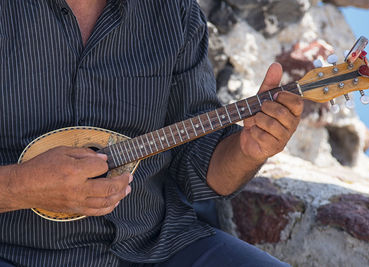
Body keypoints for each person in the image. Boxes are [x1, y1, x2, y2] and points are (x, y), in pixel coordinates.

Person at [0, 0, 303, 266]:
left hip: (154, 249)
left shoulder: (173, 12)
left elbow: (197, 166)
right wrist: (19, 186)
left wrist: (248, 150)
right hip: (15, 251)